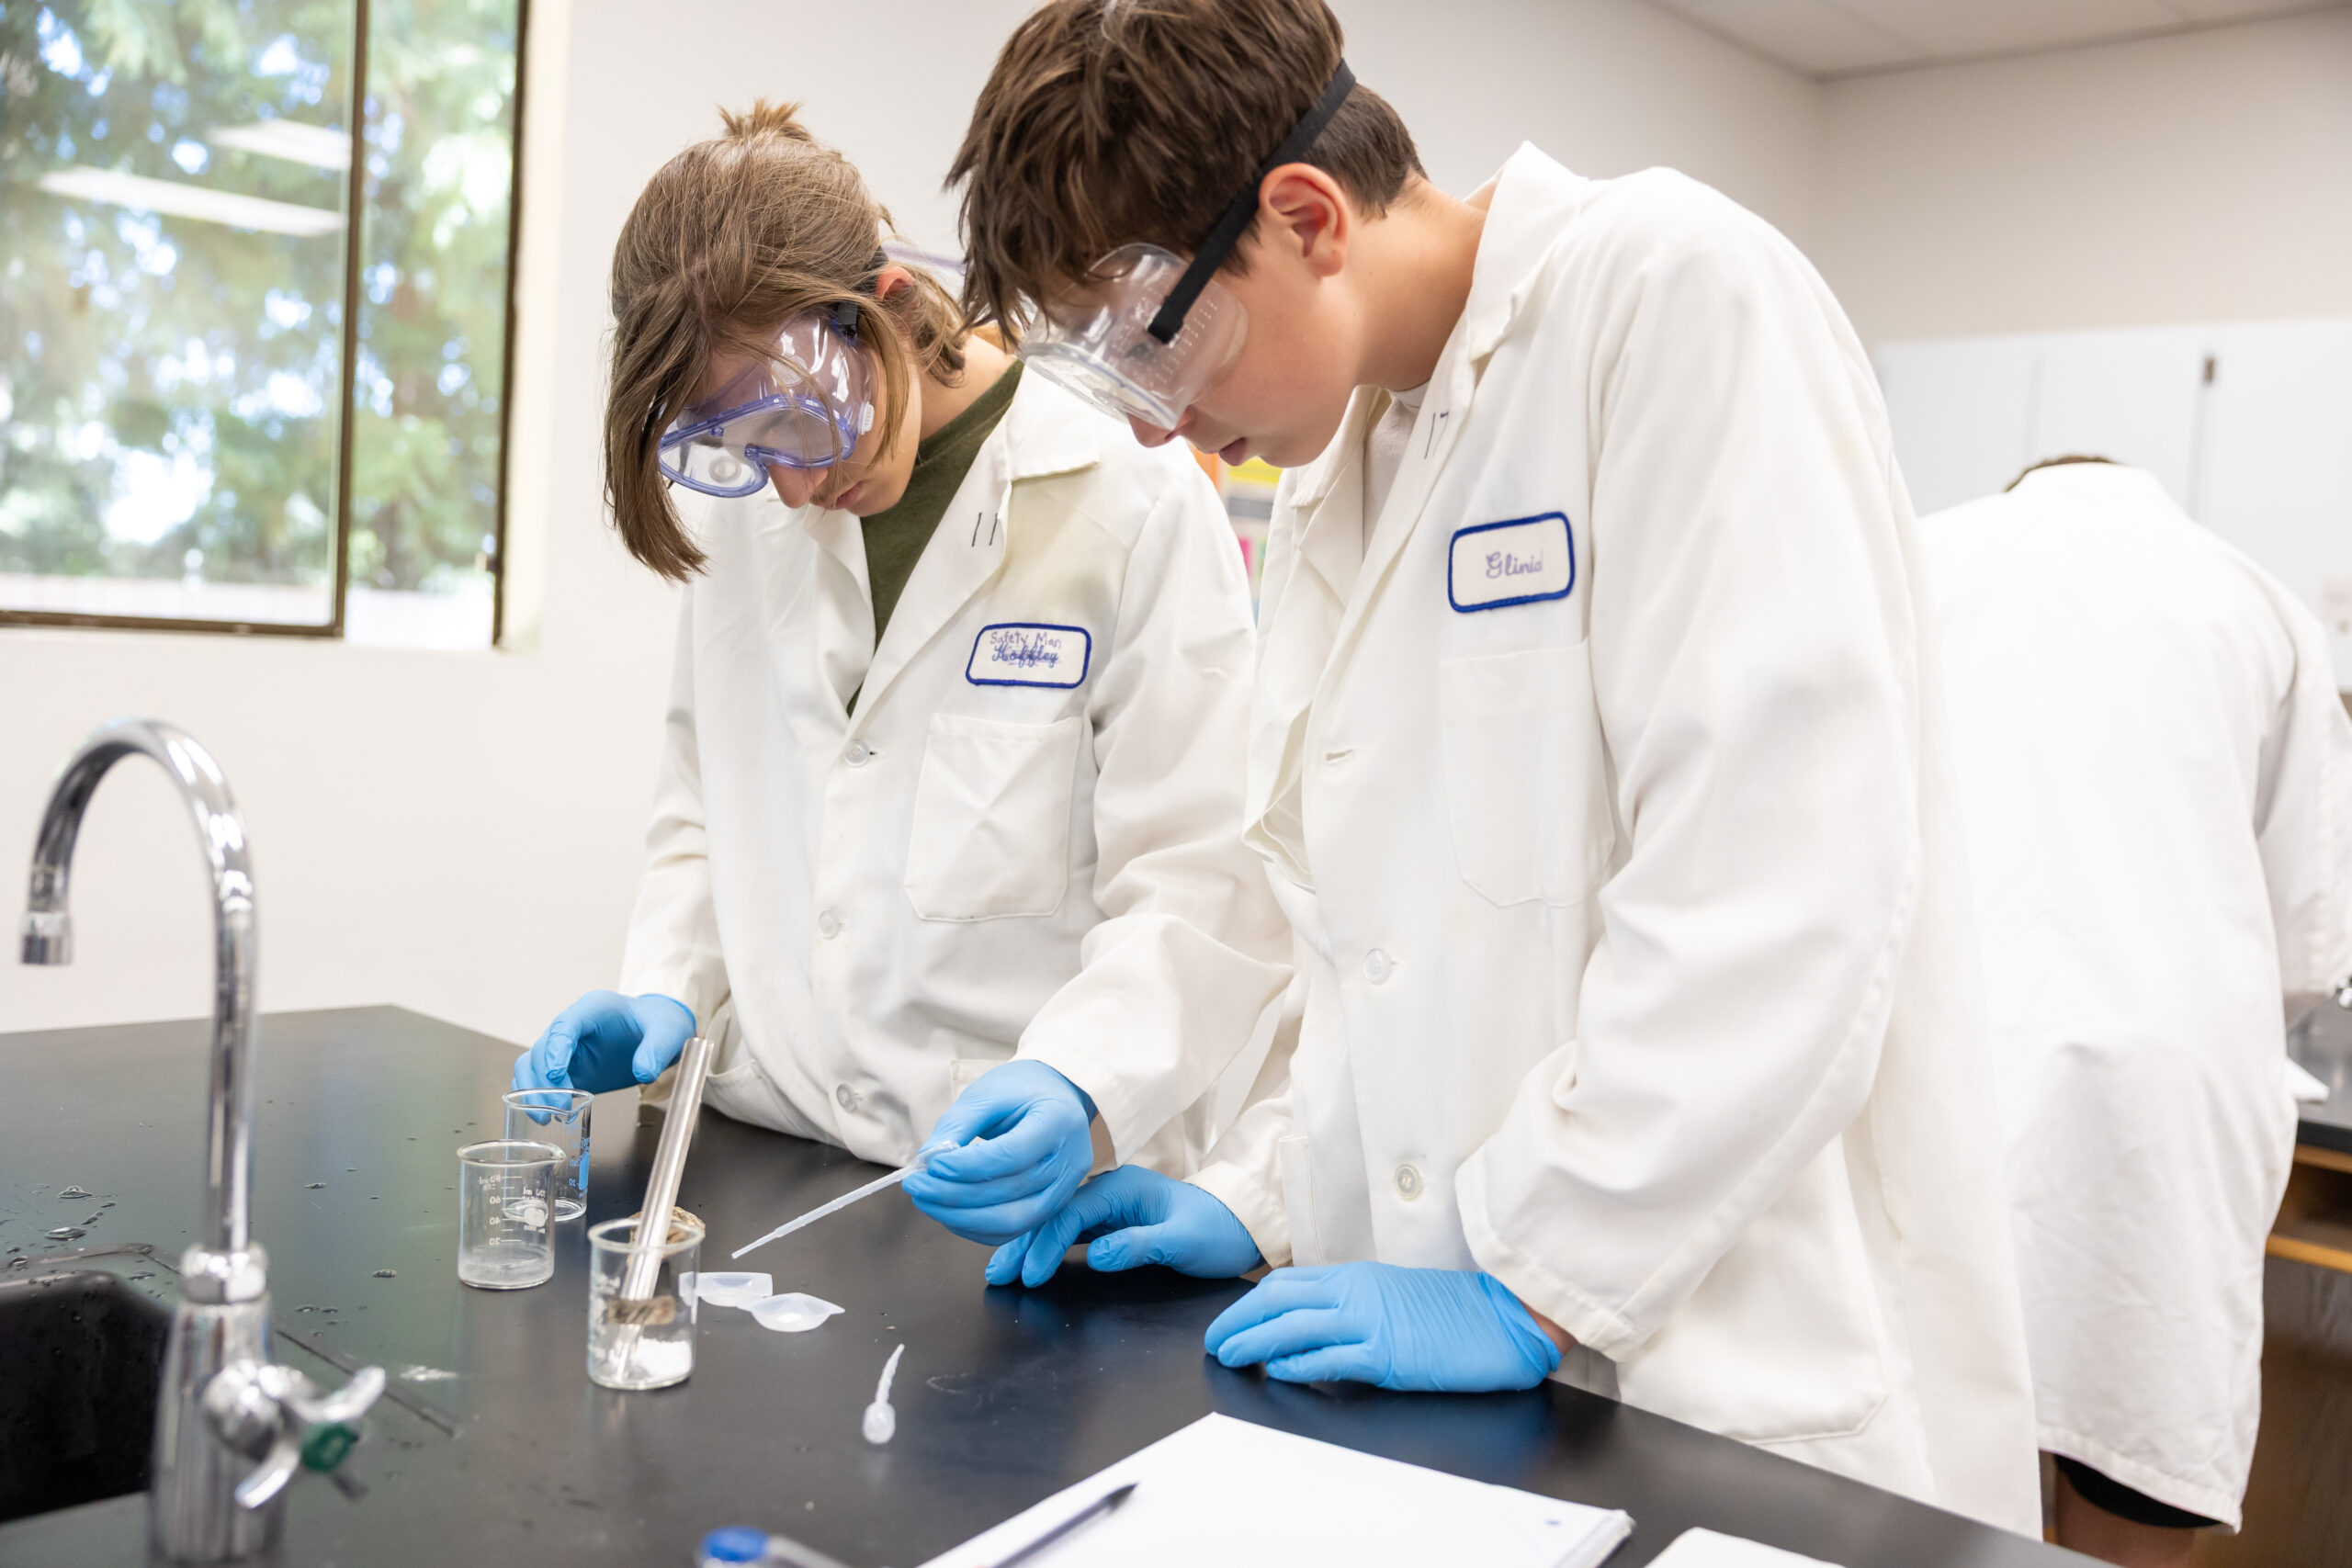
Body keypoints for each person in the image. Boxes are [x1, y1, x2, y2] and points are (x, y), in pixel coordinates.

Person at [944, 0, 2041, 1532]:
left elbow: (1782, 884)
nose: (1156, 425)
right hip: (1470, 1411)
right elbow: (1380, 949)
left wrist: (1536, 1277)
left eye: (1154, 338)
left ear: (1306, 217)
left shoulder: (1673, 296)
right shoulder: (1350, 459)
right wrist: (1257, 1196)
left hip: (1723, 1385)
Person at [513, 103, 1290, 1247]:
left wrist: (1080, 1080)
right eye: (735, 450)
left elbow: (1199, 874)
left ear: (886, 306)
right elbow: (705, 804)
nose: (784, 487)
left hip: (1004, 1191)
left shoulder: (1126, 495)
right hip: (761, 1148)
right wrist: (666, 989)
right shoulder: (756, 514)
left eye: (791, 422)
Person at [1919, 457, 2352, 1566]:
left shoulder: (1919, 557)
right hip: (2165, 1111)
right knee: (2131, 1471)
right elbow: (2307, 940)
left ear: (2019, 485)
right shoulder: (2259, 603)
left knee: (1942, 1494)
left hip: (1943, 1069)